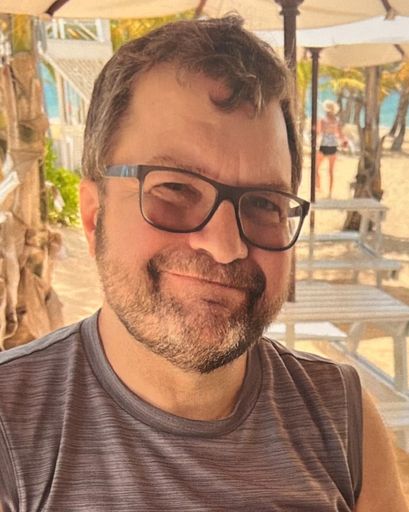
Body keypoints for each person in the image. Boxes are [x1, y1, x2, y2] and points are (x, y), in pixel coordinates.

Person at [0, 16, 407, 512]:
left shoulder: (343, 417)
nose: (225, 246)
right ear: (93, 216)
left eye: (264, 203)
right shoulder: (12, 430)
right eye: (174, 188)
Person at [316, 99, 347, 198]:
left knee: (316, 168)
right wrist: (344, 142)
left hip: (324, 145)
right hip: (333, 146)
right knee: (330, 171)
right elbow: (340, 134)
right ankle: (329, 193)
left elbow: (319, 132)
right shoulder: (336, 121)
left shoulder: (322, 120)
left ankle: (318, 187)